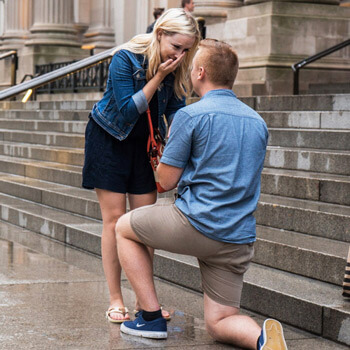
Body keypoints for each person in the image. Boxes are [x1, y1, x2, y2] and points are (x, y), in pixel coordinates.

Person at [115, 39, 288, 350]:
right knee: (219, 323)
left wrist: (162, 158)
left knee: (123, 228)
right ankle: (263, 340)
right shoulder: (258, 122)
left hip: (196, 223)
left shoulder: (191, 116)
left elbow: (165, 182)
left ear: (199, 73)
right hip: (237, 237)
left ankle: (151, 317)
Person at [82, 8, 200, 323]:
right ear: (160, 33)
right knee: (114, 221)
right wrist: (159, 75)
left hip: (145, 145)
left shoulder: (177, 66)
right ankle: (115, 298)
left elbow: (175, 109)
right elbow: (126, 111)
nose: (180, 54)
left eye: (187, 49)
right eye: (176, 47)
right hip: (108, 138)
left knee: (142, 226)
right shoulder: (126, 58)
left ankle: (144, 302)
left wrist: (178, 145)